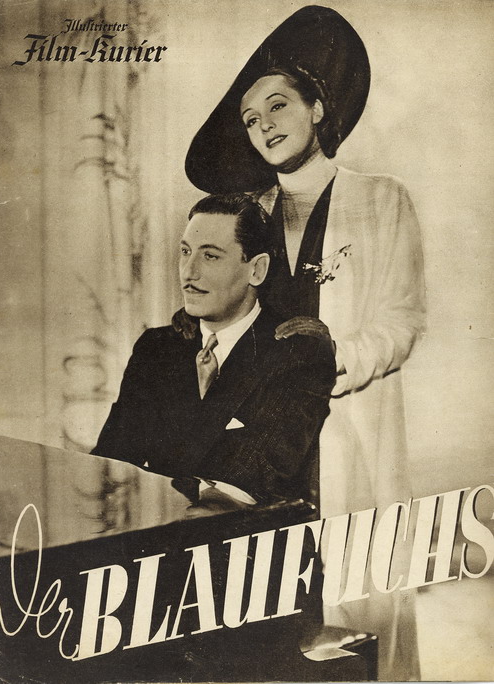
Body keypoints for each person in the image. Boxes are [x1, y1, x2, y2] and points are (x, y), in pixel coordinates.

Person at [182, 7, 426, 680]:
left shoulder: (383, 200)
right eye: (250, 119)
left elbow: (402, 320)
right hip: (260, 449)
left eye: (278, 106)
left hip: (346, 439)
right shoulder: (248, 217)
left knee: (355, 625)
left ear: (318, 108)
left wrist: (331, 357)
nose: (263, 126)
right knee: (267, 626)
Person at [92, 193, 336, 505]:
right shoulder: (156, 348)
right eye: (185, 252)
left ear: (257, 270)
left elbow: (249, 481)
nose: (188, 272)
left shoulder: (298, 353)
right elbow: (112, 461)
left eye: (210, 256)